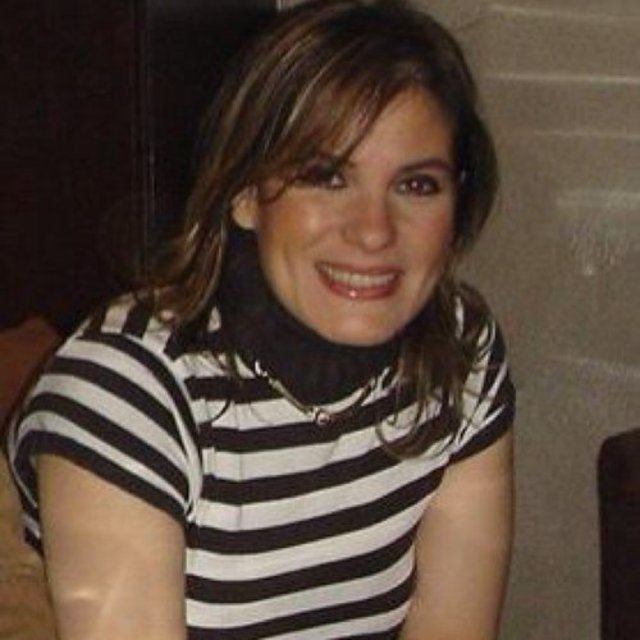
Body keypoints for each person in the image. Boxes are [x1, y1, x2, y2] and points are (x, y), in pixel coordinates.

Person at [7, 1, 515, 638]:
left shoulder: (459, 352)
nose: (374, 231)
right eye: (326, 177)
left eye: (416, 185)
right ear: (245, 193)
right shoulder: (128, 388)